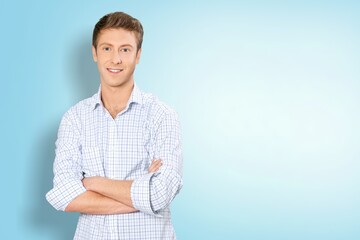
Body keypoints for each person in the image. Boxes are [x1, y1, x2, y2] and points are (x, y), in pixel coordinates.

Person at [46, 11, 183, 239]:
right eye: (107, 48)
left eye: (125, 49)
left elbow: (161, 193)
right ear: (94, 53)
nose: (116, 59)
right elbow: (65, 196)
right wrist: (142, 194)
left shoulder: (161, 115)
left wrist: (92, 182)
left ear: (138, 55)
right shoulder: (75, 119)